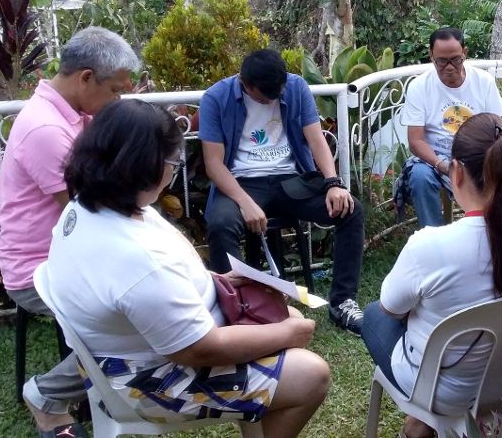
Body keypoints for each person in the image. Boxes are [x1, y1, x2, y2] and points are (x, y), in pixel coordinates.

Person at [44, 99, 330, 438]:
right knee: (311, 372)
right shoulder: (136, 258)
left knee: (287, 320)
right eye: (173, 161)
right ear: (142, 165)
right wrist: (289, 335)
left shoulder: (92, 203)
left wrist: (214, 280)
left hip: (135, 349)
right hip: (151, 380)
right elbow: (198, 349)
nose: (175, 168)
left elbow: (152, 285)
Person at [363, 113, 502, 438]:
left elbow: (391, 310)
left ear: (456, 172)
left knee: (374, 314)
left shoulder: (428, 246)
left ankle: (420, 424)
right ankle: (420, 426)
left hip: (443, 391)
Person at [0, 26, 137, 437]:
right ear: (87, 78)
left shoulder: (74, 114)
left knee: (146, 303)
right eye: (115, 90)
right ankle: (47, 393)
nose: (118, 100)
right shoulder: (46, 130)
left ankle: (108, 389)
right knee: (133, 316)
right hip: (37, 271)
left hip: (74, 256)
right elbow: (91, 212)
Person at [200, 49, 365, 334]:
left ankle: (342, 303)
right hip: (241, 182)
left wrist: (333, 183)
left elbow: (316, 140)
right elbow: (214, 165)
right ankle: (234, 309)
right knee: (220, 223)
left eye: (275, 96)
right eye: (263, 98)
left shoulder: (296, 86)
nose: (270, 101)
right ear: (243, 81)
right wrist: (245, 201)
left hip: (290, 180)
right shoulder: (216, 97)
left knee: (350, 209)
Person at [395, 27, 502, 227]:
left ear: (465, 53)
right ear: (431, 57)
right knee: (420, 178)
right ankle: (433, 238)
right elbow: (415, 140)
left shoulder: (484, 81)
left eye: (455, 59)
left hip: (478, 156)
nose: (449, 67)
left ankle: (493, 232)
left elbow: (500, 129)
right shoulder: (419, 87)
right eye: (441, 61)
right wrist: (442, 165)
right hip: (435, 159)